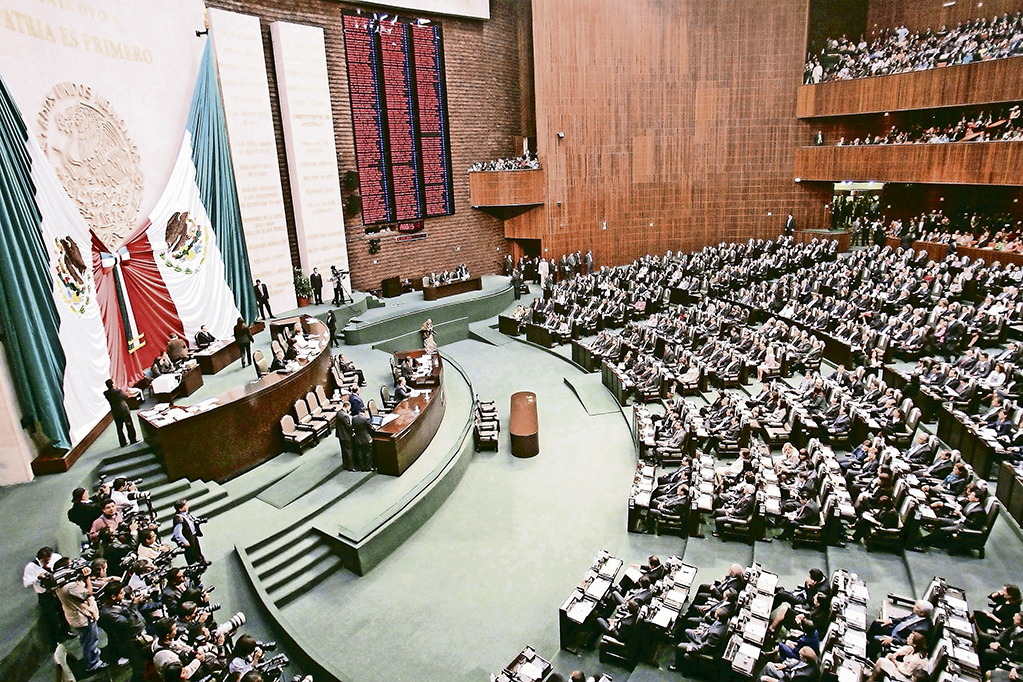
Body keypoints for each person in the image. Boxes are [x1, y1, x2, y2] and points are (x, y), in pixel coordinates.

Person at [54, 557, 105, 671]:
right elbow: (88, 593)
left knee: (86, 640)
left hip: (78, 616)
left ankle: (93, 659)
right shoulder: (70, 587)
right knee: (90, 641)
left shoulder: (63, 584)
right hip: (83, 617)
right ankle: (93, 663)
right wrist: (87, 578)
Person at [24, 547, 70, 647]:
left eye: (49, 559)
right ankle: (55, 640)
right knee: (50, 618)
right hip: (45, 595)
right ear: (40, 558)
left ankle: (66, 631)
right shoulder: (31, 567)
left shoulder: (56, 558)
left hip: (57, 590)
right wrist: (37, 578)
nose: (48, 562)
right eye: (45, 561)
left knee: (63, 611)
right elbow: (26, 583)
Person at [104, 379, 138, 447]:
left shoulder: (106, 393)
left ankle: (122, 442)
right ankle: (132, 439)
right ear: (112, 384)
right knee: (129, 425)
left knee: (119, 428)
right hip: (123, 410)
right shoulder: (118, 391)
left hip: (115, 411)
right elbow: (125, 397)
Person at [172, 499, 205, 566]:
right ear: (180, 509)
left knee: (197, 549)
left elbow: (192, 519)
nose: (187, 505)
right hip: (187, 538)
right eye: (185, 505)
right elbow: (177, 533)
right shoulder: (178, 518)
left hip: (193, 535)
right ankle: (193, 566)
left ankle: (201, 561)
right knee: (190, 553)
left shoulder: (186, 514)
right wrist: (184, 541)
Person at [336, 399, 355, 470]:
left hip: (340, 435)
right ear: (347, 406)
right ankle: (351, 467)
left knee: (344, 451)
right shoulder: (345, 416)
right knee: (349, 451)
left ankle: (345, 465)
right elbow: (348, 426)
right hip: (345, 436)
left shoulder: (339, 412)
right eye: (349, 407)